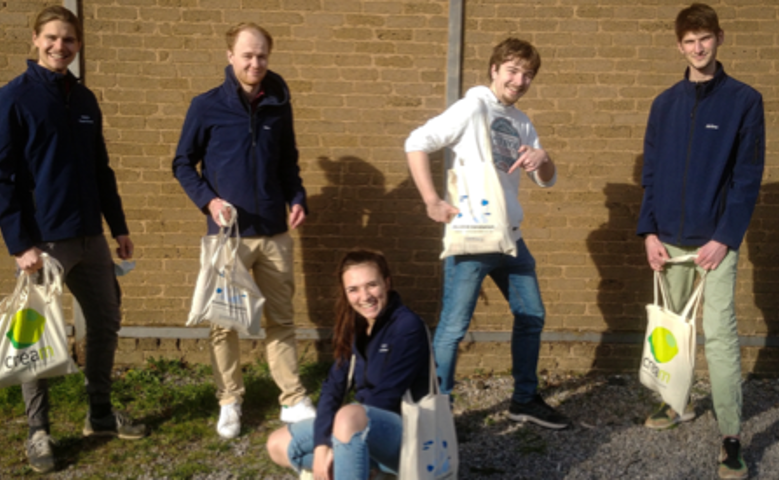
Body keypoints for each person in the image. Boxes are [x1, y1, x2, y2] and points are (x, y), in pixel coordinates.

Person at [0, 6, 147, 474]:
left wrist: (118, 225)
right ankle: (37, 431)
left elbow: (101, 169)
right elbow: (2, 178)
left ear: (78, 44)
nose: (59, 46)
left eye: (68, 39)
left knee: (105, 322)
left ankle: (99, 413)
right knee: (36, 337)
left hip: (90, 238)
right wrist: (20, 243)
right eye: (52, 38)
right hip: (42, 244)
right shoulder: (13, 99)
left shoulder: (85, 100)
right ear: (35, 39)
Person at [404, 38, 570, 430]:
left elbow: (546, 180)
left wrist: (544, 159)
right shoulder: (472, 107)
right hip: (475, 237)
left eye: (527, 74)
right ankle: (435, 415)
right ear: (494, 70)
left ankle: (524, 399)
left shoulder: (522, 121)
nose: (520, 80)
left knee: (532, 315)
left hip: (510, 238)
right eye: (512, 70)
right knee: (453, 328)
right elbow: (416, 142)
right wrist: (431, 200)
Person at [636, 4, 764, 479]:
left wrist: (725, 239)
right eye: (689, 41)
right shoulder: (664, 104)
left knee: (721, 336)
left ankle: (730, 435)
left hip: (714, 244)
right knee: (673, 331)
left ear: (719, 39)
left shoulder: (744, 102)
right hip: (668, 242)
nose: (698, 47)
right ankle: (677, 403)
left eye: (705, 38)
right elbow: (651, 175)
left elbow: (747, 179)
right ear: (679, 46)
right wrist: (649, 232)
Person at [172, 22, 315, 438]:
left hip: (273, 232)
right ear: (230, 57)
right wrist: (209, 200)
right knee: (224, 324)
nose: (255, 63)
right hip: (227, 237)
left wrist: (297, 197)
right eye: (247, 55)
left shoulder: (279, 103)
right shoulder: (206, 106)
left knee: (281, 319)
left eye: (262, 56)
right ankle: (230, 400)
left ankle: (291, 398)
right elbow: (183, 163)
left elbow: (288, 162)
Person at [266, 249, 431, 479]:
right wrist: (322, 446)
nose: (364, 296)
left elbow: (386, 397)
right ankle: (363, 469)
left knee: (348, 416)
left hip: (408, 436)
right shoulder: (355, 327)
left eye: (371, 285)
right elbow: (332, 389)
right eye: (353, 289)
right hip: (358, 428)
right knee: (277, 444)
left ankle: (358, 466)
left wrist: (336, 443)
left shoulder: (407, 327)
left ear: (387, 283)